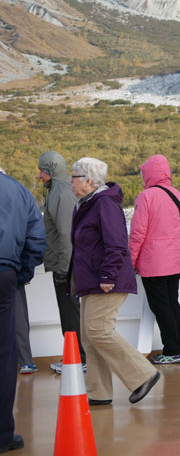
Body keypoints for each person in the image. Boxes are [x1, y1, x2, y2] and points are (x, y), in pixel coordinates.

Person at [69, 157, 160, 405]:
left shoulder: (104, 204)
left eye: (74, 177)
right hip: (91, 280)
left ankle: (144, 374)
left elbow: (117, 243)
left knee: (99, 330)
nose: (71, 181)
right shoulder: (88, 203)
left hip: (106, 280)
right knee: (89, 336)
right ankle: (98, 392)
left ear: (88, 181)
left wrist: (108, 274)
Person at [0, 165, 46, 453]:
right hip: (5, 274)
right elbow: (36, 239)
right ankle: (3, 434)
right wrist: (21, 273)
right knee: (5, 354)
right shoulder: (19, 190)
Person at [130, 155, 180, 364]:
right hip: (174, 258)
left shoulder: (146, 196)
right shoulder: (177, 195)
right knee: (172, 303)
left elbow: (138, 233)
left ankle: (172, 351)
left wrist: (131, 261)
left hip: (154, 261)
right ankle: (179, 348)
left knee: (160, 305)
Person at [38, 151, 86, 374]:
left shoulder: (61, 193)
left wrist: (63, 269)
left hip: (66, 267)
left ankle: (78, 359)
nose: (40, 175)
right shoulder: (58, 191)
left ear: (51, 170)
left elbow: (67, 234)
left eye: (43, 170)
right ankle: (74, 357)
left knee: (70, 314)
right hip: (63, 264)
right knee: (67, 314)